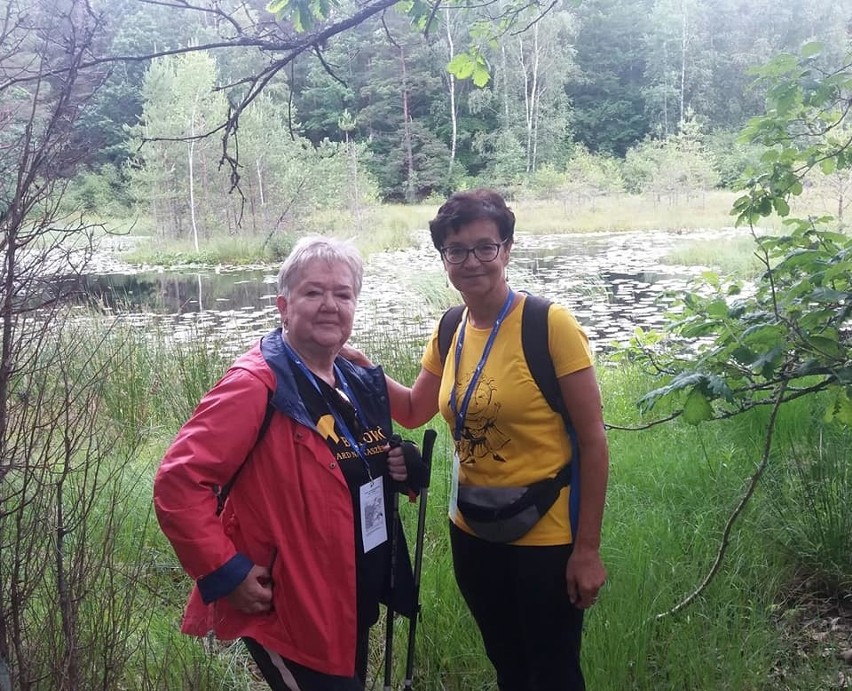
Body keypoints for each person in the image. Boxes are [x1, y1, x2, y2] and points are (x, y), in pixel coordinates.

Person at [345, 189, 609, 690]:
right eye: (456, 250)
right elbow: (414, 408)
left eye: (485, 247)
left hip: (547, 537)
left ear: (506, 249)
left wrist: (587, 550)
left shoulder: (549, 325)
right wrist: (358, 369)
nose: (472, 261)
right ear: (444, 257)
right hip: (471, 529)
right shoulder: (451, 328)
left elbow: (594, 442)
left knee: (552, 672)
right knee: (507, 664)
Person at [153, 236, 423, 691]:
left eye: (343, 294)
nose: (329, 305)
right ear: (283, 304)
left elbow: (344, 468)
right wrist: (227, 571)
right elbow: (179, 484)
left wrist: (399, 467)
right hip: (291, 605)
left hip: (347, 594)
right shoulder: (255, 383)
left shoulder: (350, 377)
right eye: (313, 292)